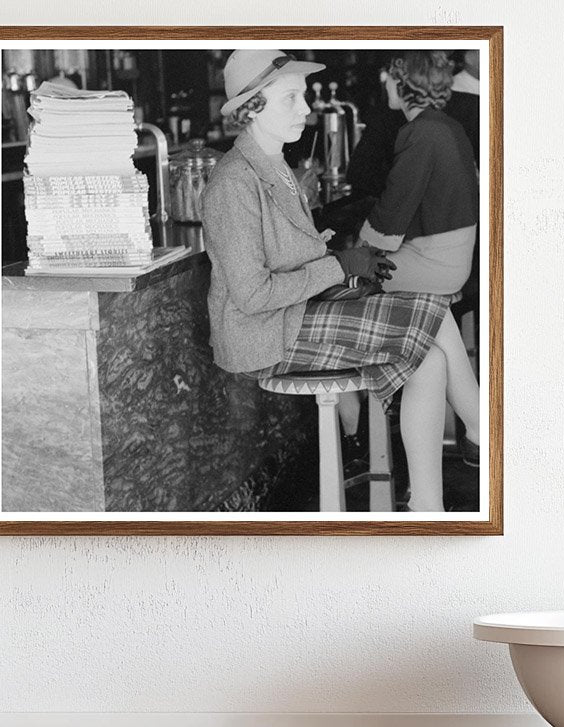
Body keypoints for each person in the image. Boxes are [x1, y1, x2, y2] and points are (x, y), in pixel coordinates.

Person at [202, 48, 480, 513]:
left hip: (293, 315)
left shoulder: (275, 166)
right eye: (291, 98)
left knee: (429, 355)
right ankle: (485, 438)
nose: (306, 109)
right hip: (266, 334)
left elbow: (285, 260)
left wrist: (338, 257)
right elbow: (252, 296)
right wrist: (341, 266)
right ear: (251, 107)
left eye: (303, 97)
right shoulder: (231, 183)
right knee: (432, 318)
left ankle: (426, 507)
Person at [357, 50, 479, 297]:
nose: (385, 82)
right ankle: (446, 337)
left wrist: (357, 252)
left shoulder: (421, 131)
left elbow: (395, 205)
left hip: (435, 263)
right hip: (452, 258)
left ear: (403, 84)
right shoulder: (445, 125)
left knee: (345, 278)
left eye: (389, 77)